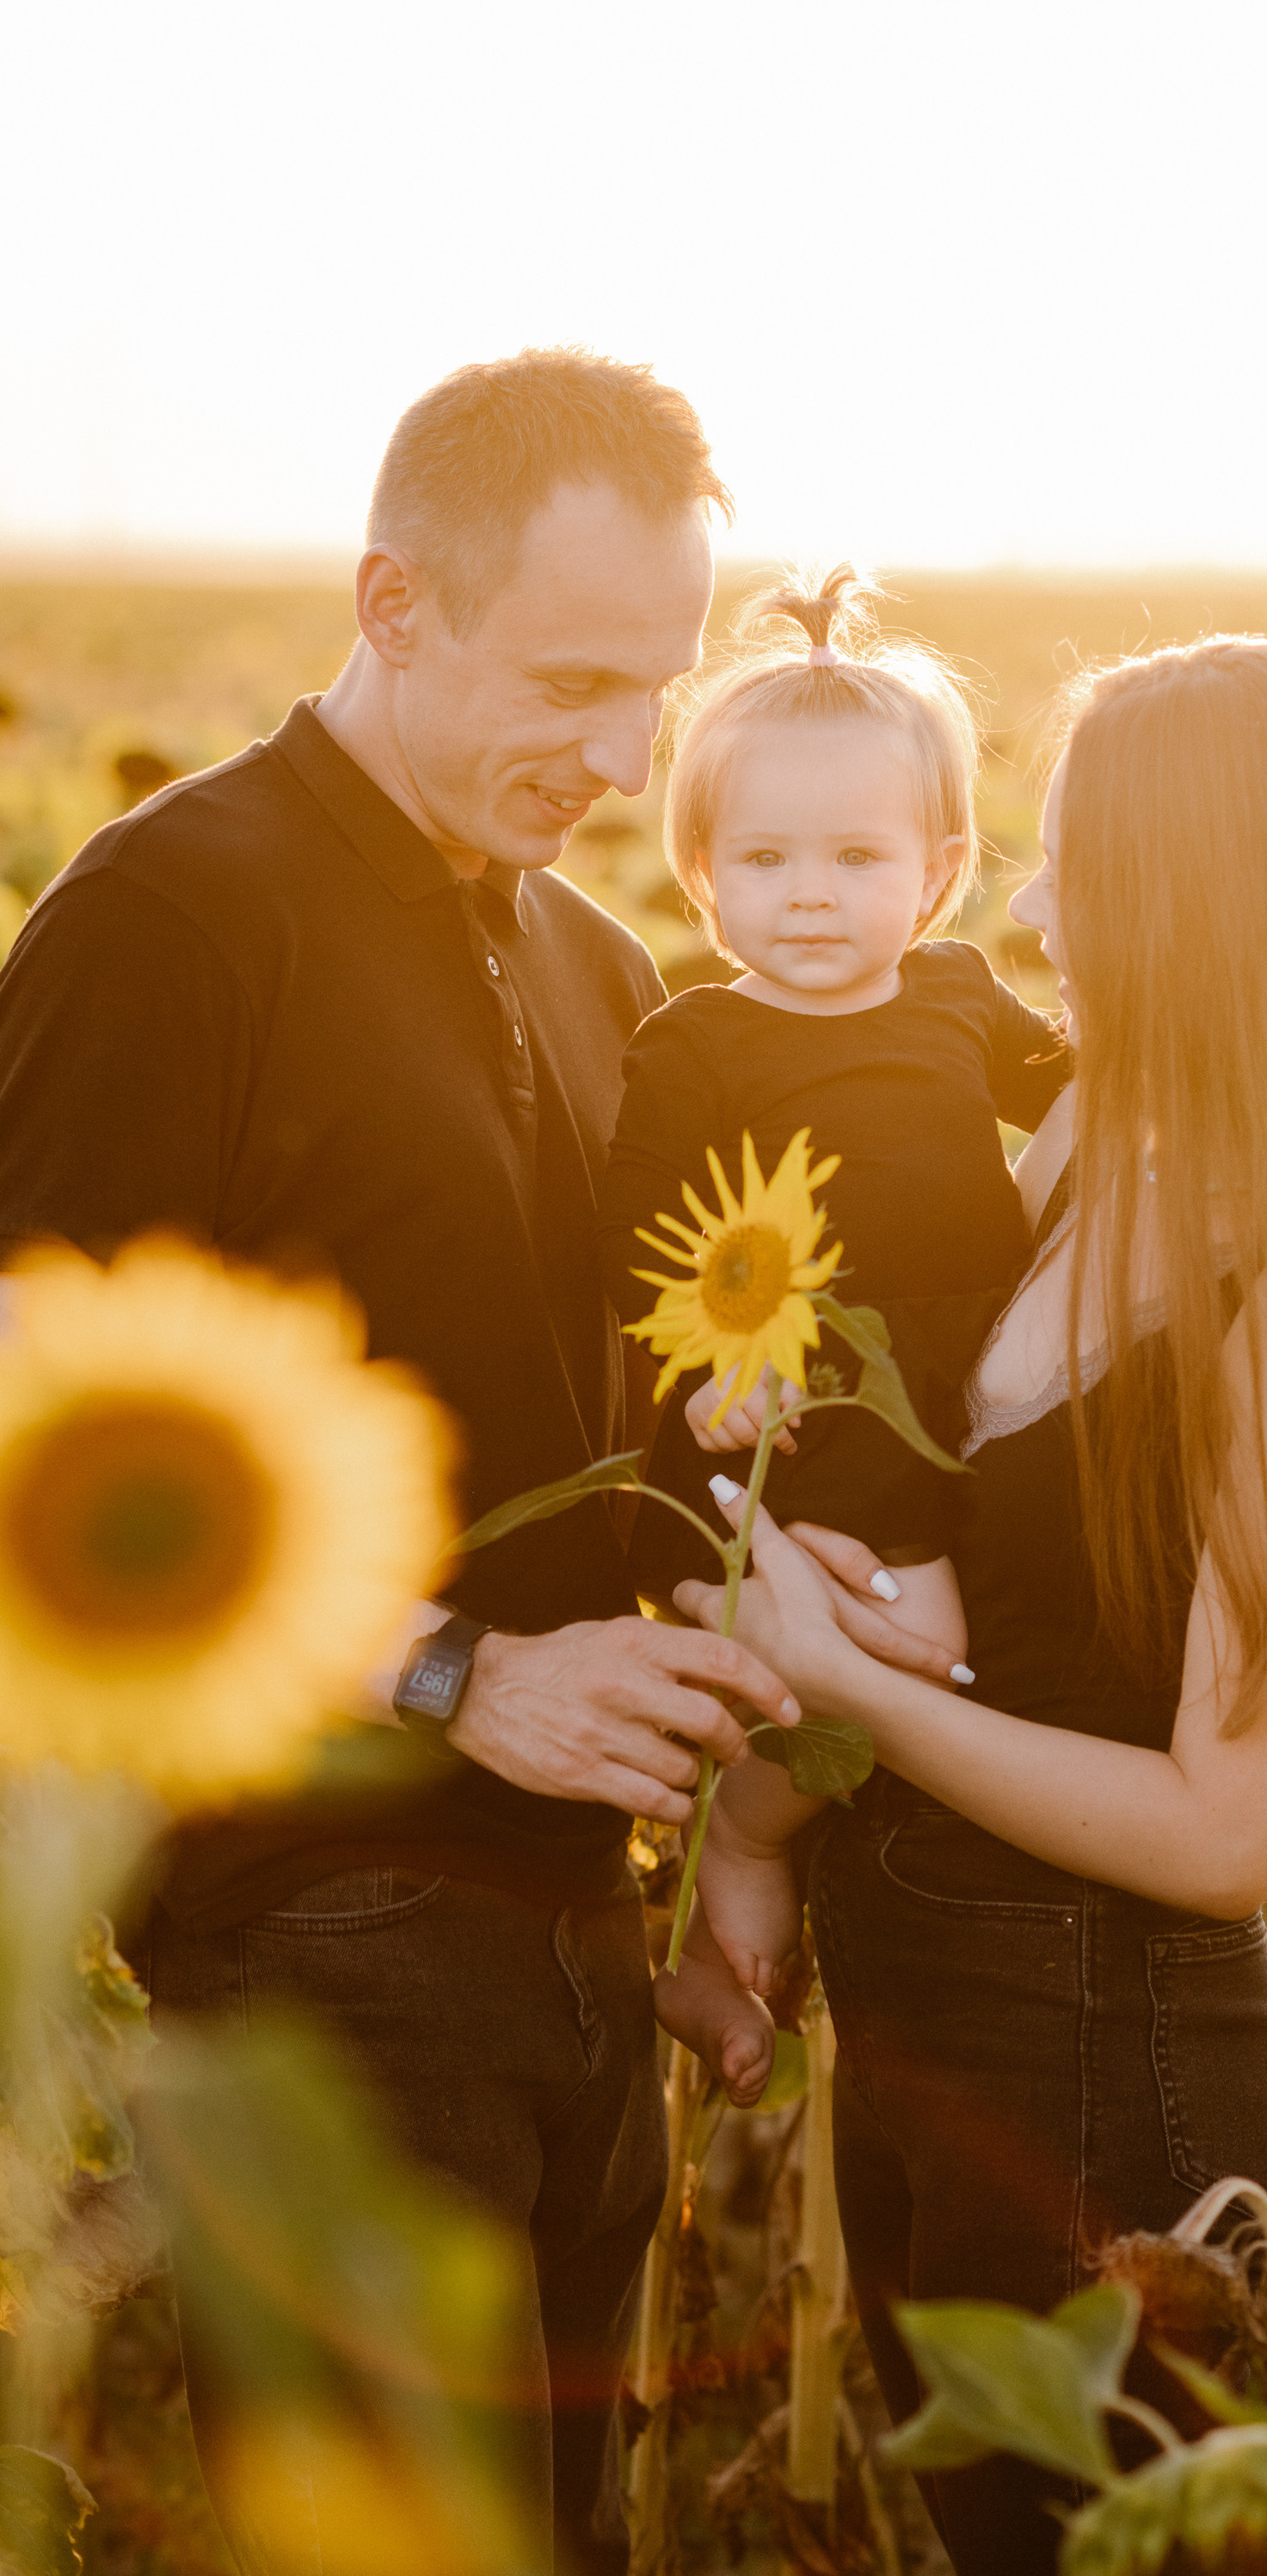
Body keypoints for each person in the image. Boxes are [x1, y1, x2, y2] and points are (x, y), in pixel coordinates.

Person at [670, 636, 1267, 2574]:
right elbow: (1025, 1582)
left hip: (1106, 2052)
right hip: (943, 1999)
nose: (1019, 902)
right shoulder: (1096, 1132)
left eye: (1073, 868)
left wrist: (854, 1672)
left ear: (1195, 905)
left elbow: (1217, 1830)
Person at [0, 347, 806, 2576]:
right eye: (569, 679)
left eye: (656, 690)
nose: (625, 757)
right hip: (319, 1926)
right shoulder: (177, 916)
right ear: (391, 598)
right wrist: (459, 1674)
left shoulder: (585, 953)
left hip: (578, 1941)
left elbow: (602, 1434)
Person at [594, 567, 1069, 2095]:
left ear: (935, 876)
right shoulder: (696, 1042)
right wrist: (715, 1370)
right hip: (801, 1412)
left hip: (962, 1392)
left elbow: (1087, 1100)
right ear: (699, 872)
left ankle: (812, 1857)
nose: (812, 894)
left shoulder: (956, 998)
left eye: (858, 858)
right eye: (768, 857)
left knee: (959, 1651)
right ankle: (741, 1836)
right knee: (911, 1655)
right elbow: (639, 1238)